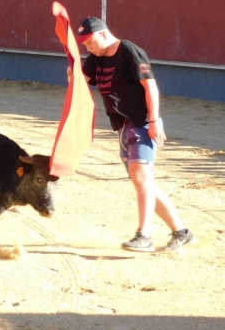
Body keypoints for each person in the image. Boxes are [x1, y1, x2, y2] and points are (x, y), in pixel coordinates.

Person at [73, 16, 195, 253]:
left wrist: (152, 121)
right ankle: (182, 232)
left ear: (104, 34)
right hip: (122, 126)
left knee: (141, 178)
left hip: (141, 122)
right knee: (144, 183)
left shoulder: (128, 50)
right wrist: (72, 72)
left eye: (89, 41)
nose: (88, 47)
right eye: (84, 44)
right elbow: (80, 82)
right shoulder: (95, 59)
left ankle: (144, 236)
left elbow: (150, 86)